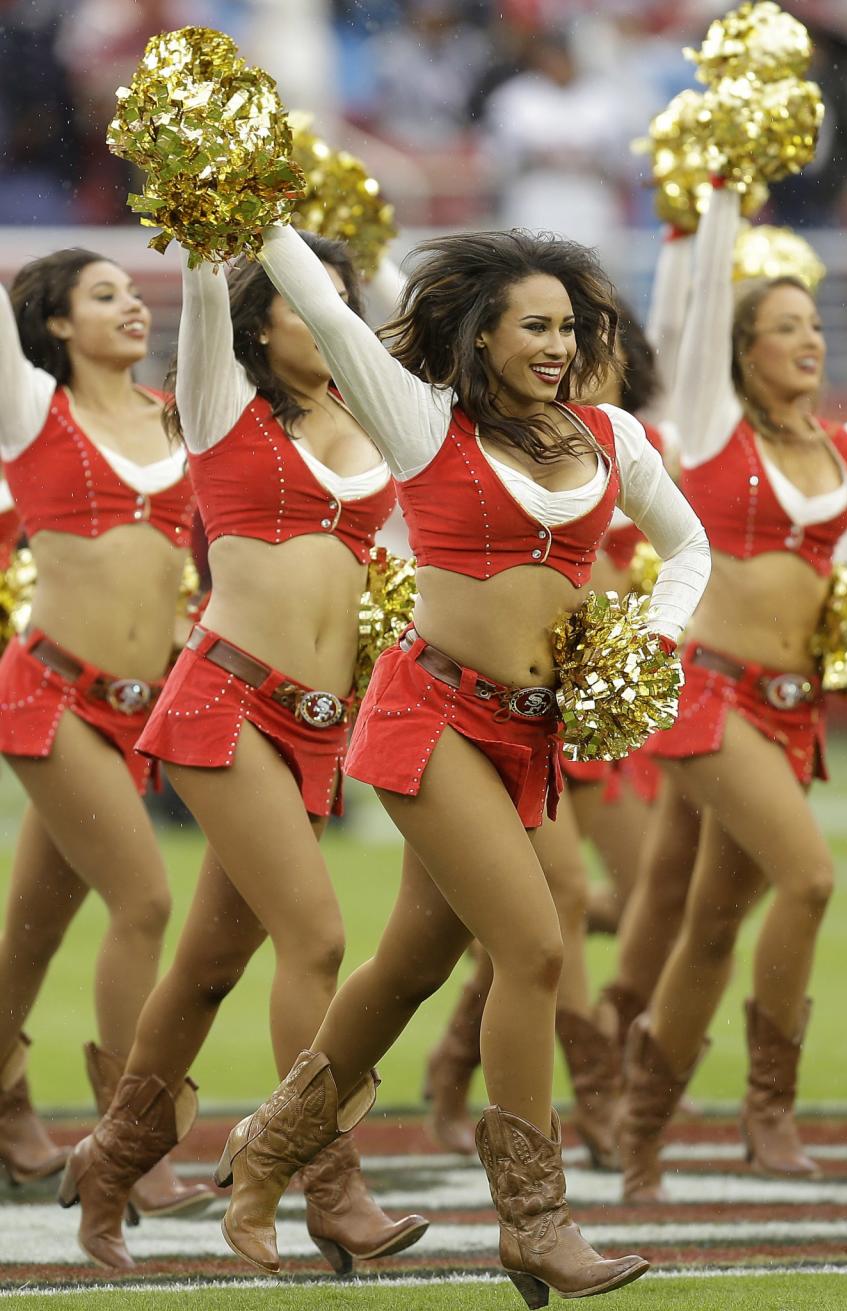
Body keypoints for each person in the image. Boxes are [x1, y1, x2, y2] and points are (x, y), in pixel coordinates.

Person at [208, 217, 712, 1304]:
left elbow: (689, 545)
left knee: (407, 969)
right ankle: (535, 1221)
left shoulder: (611, 436)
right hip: (429, 720)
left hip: (525, 735)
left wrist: (651, 642)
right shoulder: (421, 420)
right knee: (534, 948)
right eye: (533, 326)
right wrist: (260, 202)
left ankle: (262, 1153)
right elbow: (337, 322)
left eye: (569, 328)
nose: (556, 346)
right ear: (481, 335)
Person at [57, 234, 427, 1272]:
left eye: (341, 302)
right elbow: (207, 295)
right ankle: (327, 1181)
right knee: (315, 939)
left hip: (318, 727)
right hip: (226, 702)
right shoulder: (223, 403)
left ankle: (109, 1159)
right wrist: (223, 217)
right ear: (264, 322)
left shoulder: (377, 412)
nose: (331, 317)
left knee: (211, 967)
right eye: (309, 304)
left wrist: (367, 253)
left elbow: (412, 332)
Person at [617, 181, 847, 1204]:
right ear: (744, 351)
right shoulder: (717, 431)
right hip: (708, 693)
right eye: (783, 329)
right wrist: (720, 190)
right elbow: (698, 314)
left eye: (813, 325)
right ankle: (770, 1106)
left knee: (714, 927)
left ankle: (639, 1131)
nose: (809, 342)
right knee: (807, 878)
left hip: (788, 704)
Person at [421, 299, 671, 1167]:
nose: (567, 358)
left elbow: (678, 559)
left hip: (595, 709)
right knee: (550, 902)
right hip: (498, 705)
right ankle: (587, 1096)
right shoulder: (501, 441)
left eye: (586, 343)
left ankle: (466, 1062)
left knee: (639, 900)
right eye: (551, 335)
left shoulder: (623, 448)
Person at [0, 249, 209, 1218]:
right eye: (103, 296)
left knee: (33, 934)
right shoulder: (30, 411)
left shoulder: (175, 413)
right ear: (52, 325)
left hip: (134, 712)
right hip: (48, 694)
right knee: (145, 901)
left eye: (133, 292)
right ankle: (130, 1147)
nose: (132, 305)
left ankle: (2, 1100)